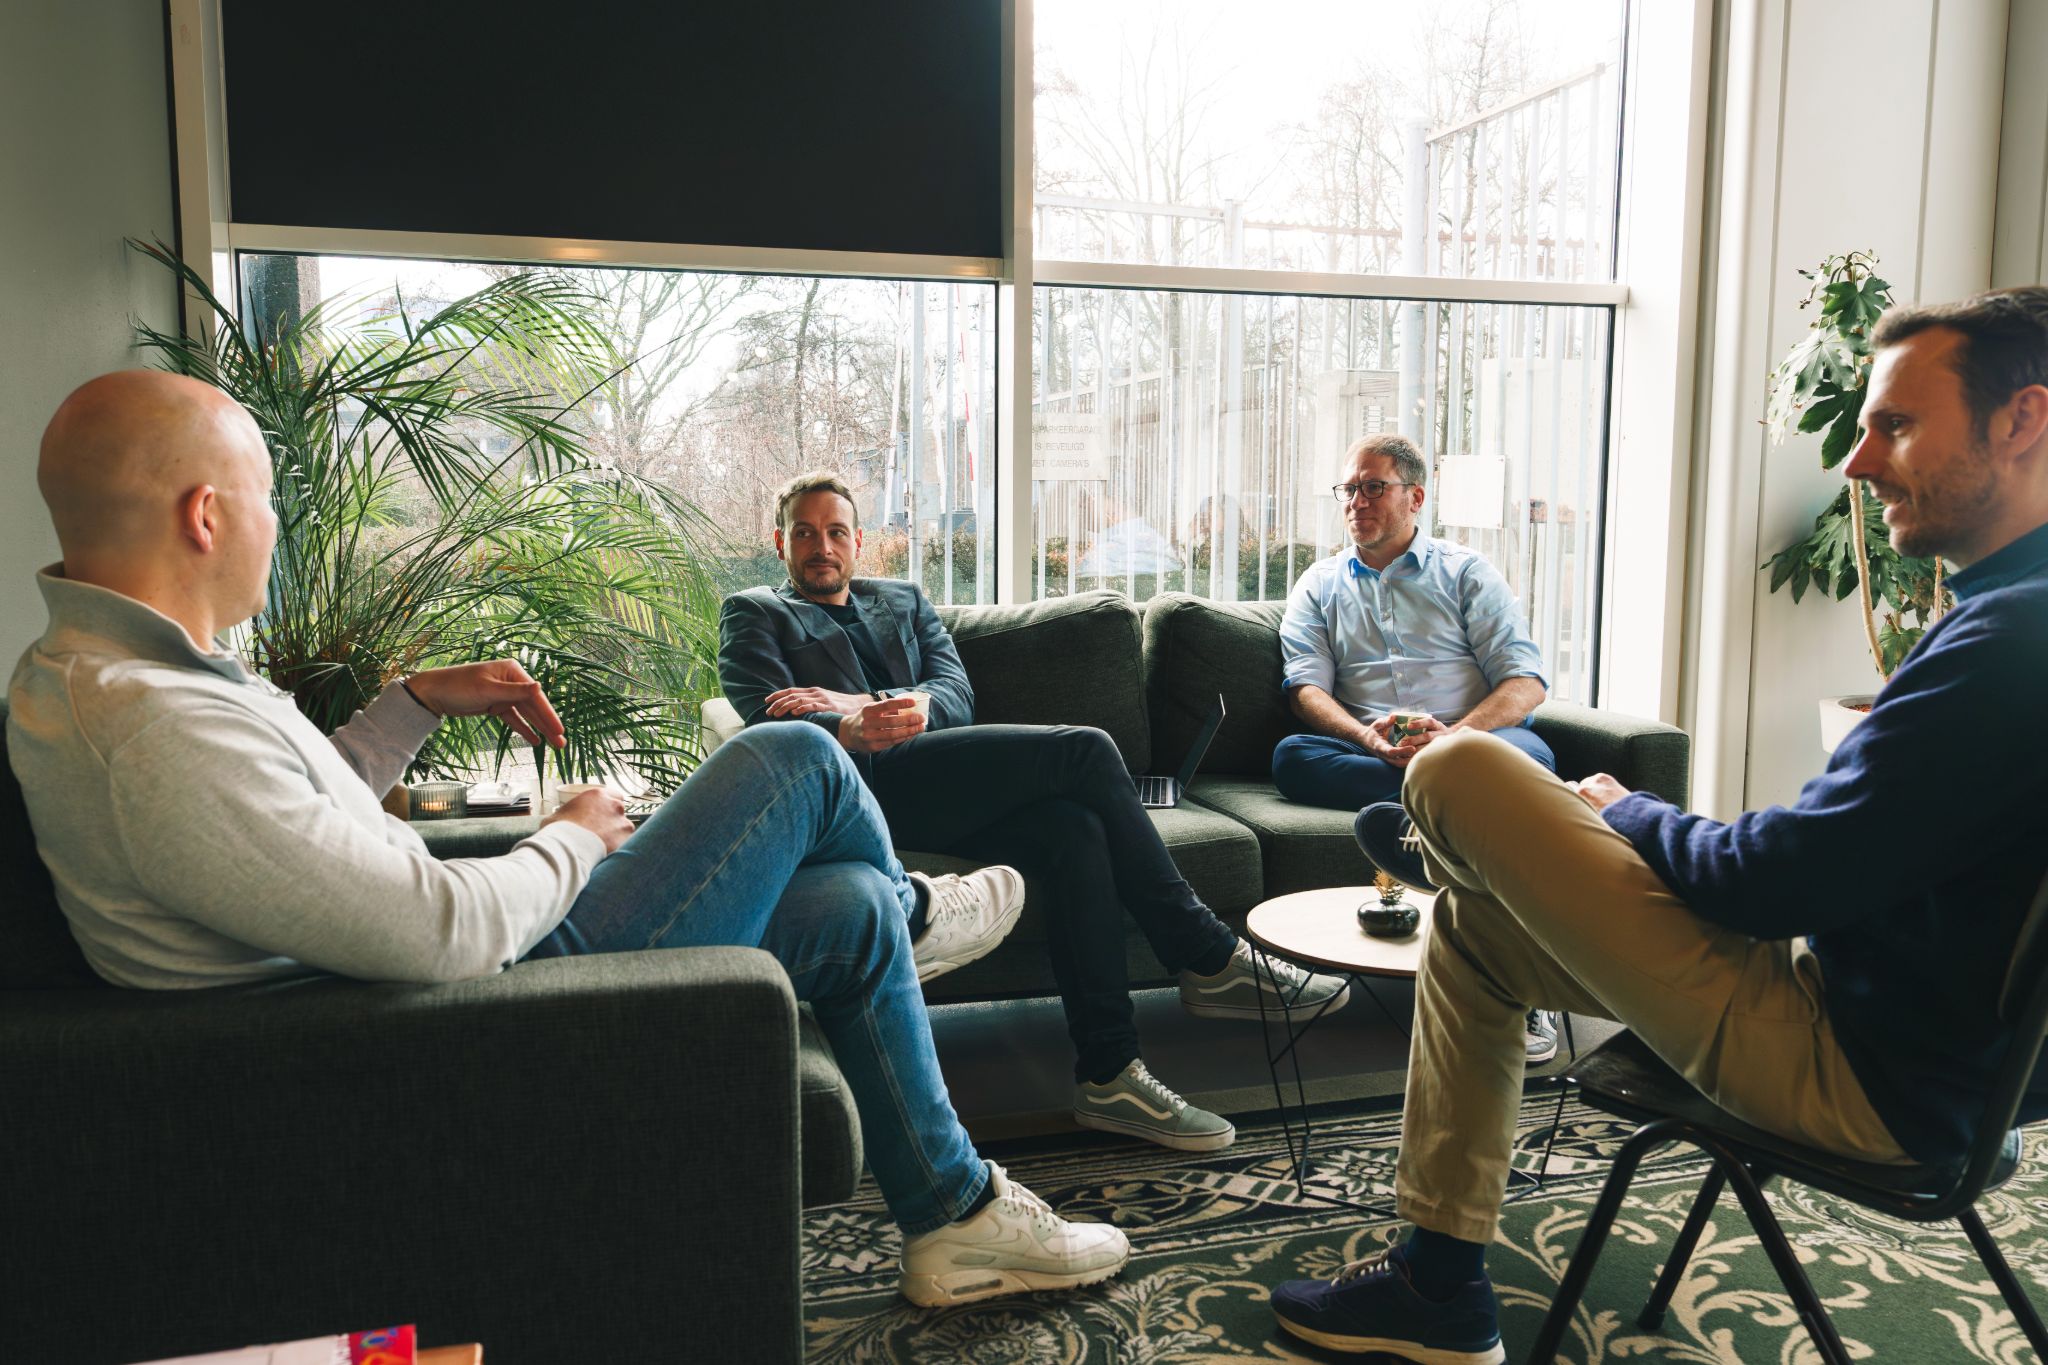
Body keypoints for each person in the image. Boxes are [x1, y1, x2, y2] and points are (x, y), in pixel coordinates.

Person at [7, 370, 1128, 1310]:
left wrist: (408, 703)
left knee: (847, 910)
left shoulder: (121, 682)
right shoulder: (150, 725)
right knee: (793, 760)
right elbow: (436, 929)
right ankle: (926, 915)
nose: (272, 522)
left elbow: (300, 831)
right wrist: (574, 838)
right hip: (467, 1010)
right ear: (206, 515)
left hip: (409, 990)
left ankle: (953, 1216)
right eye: (262, 498)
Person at [1267, 291, 2048, 1364]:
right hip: (1940, 1063)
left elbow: (1770, 882)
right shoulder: (2014, 621)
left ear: (2020, 423)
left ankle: (1458, 850)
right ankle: (1436, 1283)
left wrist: (1621, 811)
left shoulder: (2008, 643)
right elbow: (1831, 861)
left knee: (1455, 768)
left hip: (1862, 1080)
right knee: (1474, 932)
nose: (1857, 462)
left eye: (1894, 425)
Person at [718, 472, 1350, 1154]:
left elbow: (955, 692)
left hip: (936, 772)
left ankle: (1111, 1073)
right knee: (1086, 751)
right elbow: (767, 717)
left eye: (836, 531)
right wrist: (850, 725)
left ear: (859, 540)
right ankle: (1208, 952)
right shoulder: (754, 612)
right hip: (857, 791)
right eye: (805, 533)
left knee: (1072, 832)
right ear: (781, 541)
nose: (822, 547)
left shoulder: (901, 599)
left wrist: (865, 700)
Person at [1275, 431, 1560, 1062]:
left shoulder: (1465, 573)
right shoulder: (1319, 585)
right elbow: (1305, 690)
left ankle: (1521, 989)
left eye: (1374, 487)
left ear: (1416, 496)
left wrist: (1455, 742)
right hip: (1374, 750)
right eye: (1348, 489)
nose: (1357, 501)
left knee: (1530, 759)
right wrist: (1366, 735)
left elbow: (1525, 681)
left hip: (1472, 738)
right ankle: (1446, 808)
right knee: (1293, 757)